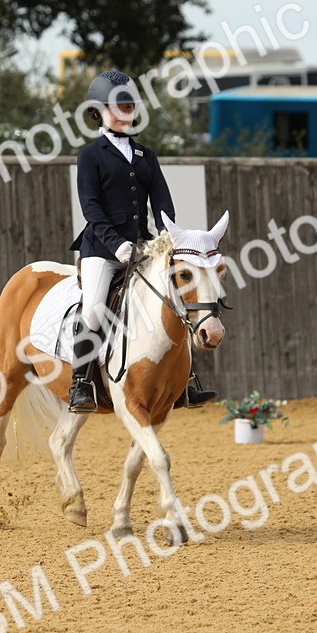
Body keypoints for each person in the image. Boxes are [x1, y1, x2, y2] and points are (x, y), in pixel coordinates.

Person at [66, 69, 217, 413]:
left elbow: (162, 201)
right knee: (93, 309)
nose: (125, 112)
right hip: (101, 249)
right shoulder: (90, 155)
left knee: (175, 302)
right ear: (99, 112)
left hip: (142, 246)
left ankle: (184, 383)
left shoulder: (146, 155)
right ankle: (81, 383)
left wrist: (167, 238)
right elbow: (91, 208)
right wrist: (116, 244)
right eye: (118, 106)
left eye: (130, 105)